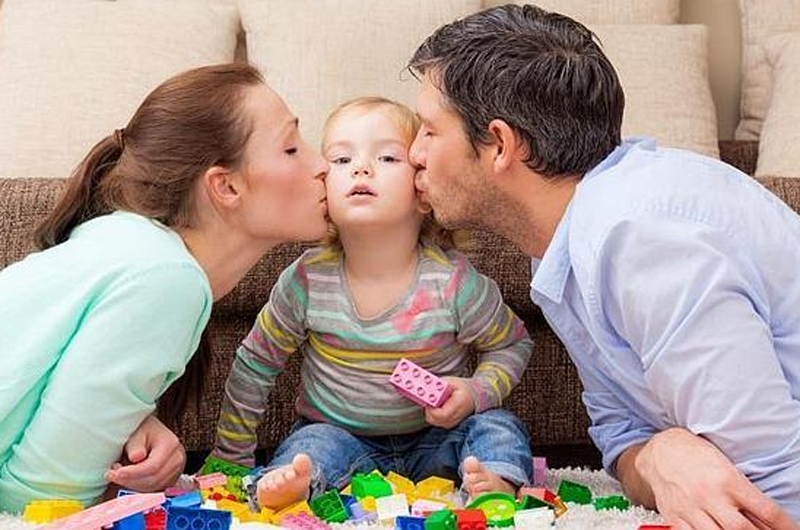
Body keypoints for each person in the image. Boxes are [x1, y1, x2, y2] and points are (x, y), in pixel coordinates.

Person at [406, 4, 800, 528]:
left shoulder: (639, 236)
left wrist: (663, 453)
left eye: (430, 131)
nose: (412, 153)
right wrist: (662, 454)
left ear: (500, 144)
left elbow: (775, 500)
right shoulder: (568, 242)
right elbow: (619, 440)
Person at [0, 63, 329, 513]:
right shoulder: (167, 280)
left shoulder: (135, 246)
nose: (323, 165)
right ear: (226, 186)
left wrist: (135, 427)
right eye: (292, 148)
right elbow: (41, 502)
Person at [212, 97, 534, 511]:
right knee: (308, 448)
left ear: (422, 189)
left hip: (438, 442)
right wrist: (232, 455)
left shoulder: (453, 283)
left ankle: (495, 481)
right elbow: (256, 363)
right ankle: (293, 484)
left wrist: (474, 393)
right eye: (342, 160)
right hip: (340, 437)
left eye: (386, 157)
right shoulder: (307, 280)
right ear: (323, 190)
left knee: (498, 427)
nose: (362, 168)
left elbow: (511, 343)